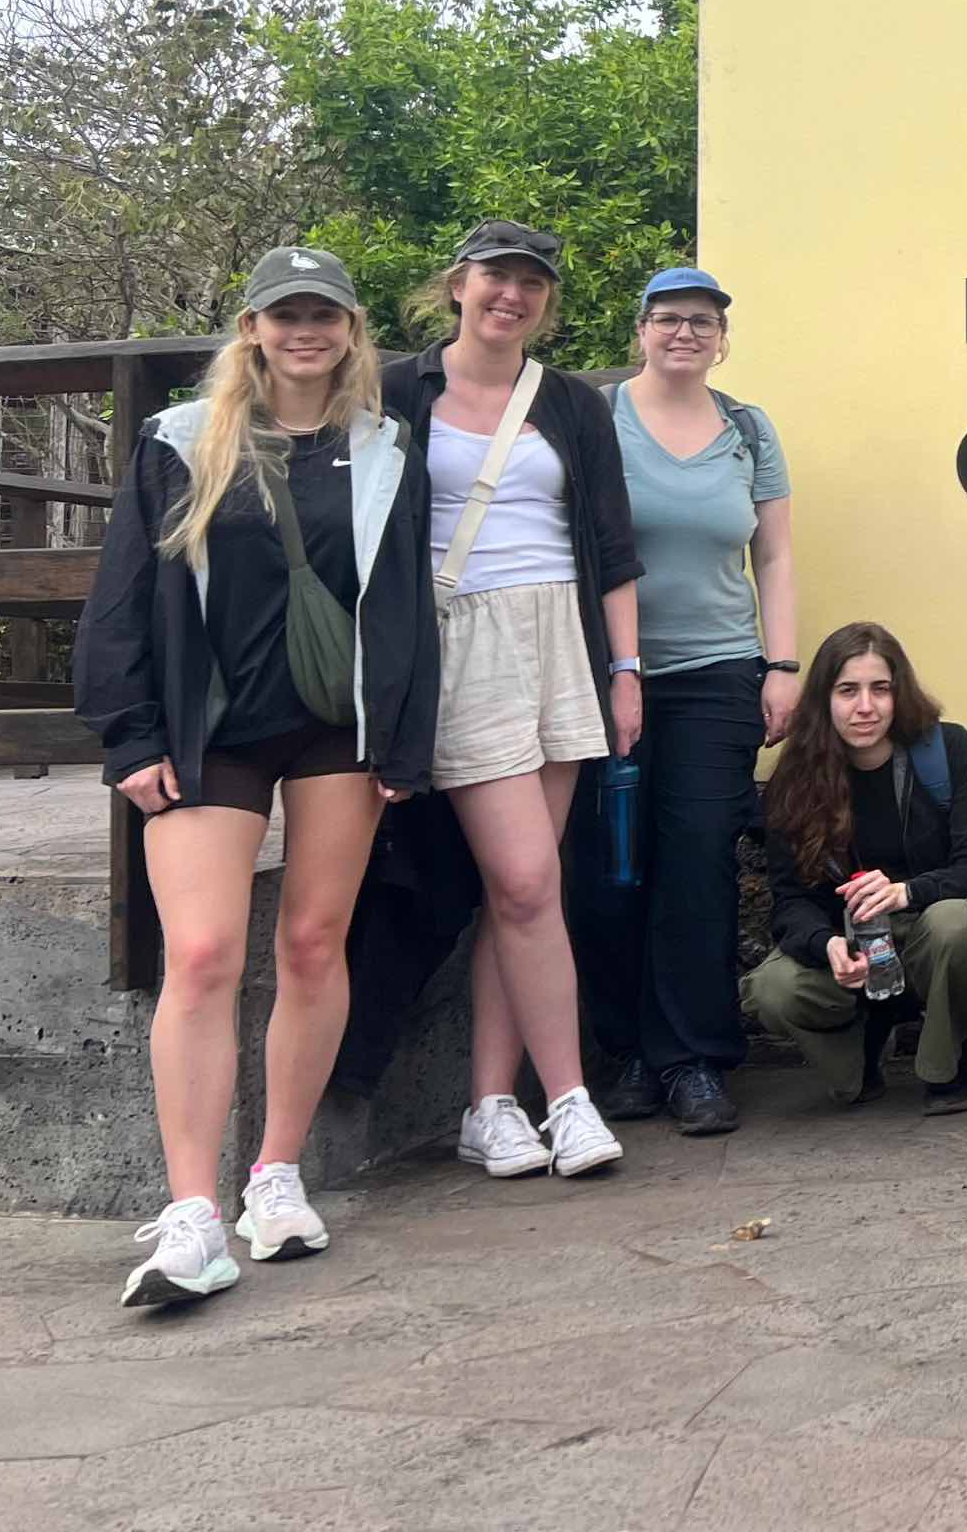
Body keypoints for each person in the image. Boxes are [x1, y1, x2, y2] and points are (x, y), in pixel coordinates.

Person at [78, 248, 442, 1308]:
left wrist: (404, 741)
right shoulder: (182, 443)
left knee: (315, 940)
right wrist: (127, 734)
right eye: (285, 314)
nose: (304, 331)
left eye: (323, 314)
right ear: (251, 327)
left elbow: (406, 604)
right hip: (211, 729)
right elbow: (122, 594)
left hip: (337, 729)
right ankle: (192, 1209)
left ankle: (275, 1174)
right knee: (199, 954)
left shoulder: (382, 450)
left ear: (351, 329)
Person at [381, 220, 642, 1184]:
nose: (512, 295)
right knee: (531, 883)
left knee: (515, 893)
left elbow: (612, 546)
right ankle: (568, 1097)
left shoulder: (572, 402)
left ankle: (491, 1106)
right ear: (458, 284)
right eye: (496, 277)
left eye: (531, 283)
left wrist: (625, 671)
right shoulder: (397, 390)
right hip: (460, 641)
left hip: (560, 643)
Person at [572, 265, 795, 1139]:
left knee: (698, 863)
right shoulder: (597, 419)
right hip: (604, 676)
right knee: (607, 869)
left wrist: (782, 663)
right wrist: (614, 667)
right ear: (640, 330)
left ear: (722, 338)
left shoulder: (746, 429)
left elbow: (773, 555)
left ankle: (694, 1060)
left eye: (702, 323)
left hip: (718, 672)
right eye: (668, 319)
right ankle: (624, 1053)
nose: (685, 335)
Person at [746, 623, 967, 1114]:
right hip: (849, 953)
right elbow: (789, 901)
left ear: (897, 693)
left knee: (960, 924)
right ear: (824, 699)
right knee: (770, 989)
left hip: (925, 938)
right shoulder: (793, 780)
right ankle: (855, 1058)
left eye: (879, 689)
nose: (865, 707)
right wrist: (827, 946)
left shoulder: (945, 751)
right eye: (848, 691)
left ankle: (944, 1065)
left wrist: (906, 892)